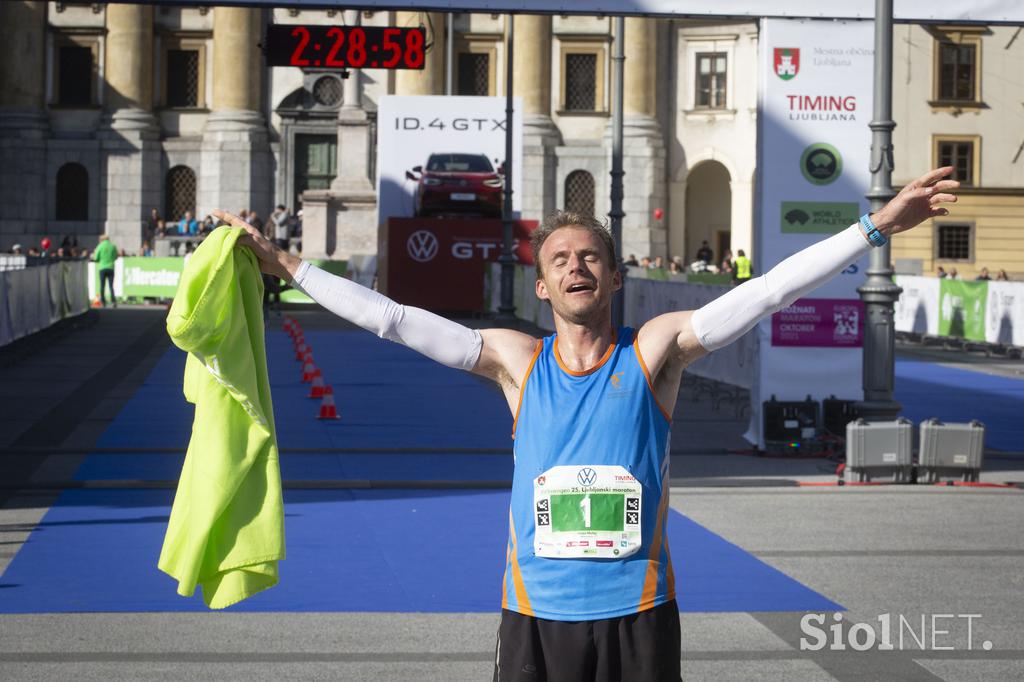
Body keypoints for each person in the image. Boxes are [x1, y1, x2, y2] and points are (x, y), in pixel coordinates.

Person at [222, 166, 958, 682]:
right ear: (541, 287)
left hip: (638, 611)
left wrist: (873, 227)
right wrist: (286, 264)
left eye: (591, 258)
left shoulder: (655, 352)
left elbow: (765, 294)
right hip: (537, 616)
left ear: (614, 277)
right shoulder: (516, 361)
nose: (577, 268)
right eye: (561, 260)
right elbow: (395, 321)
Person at [93, 234, 118, 307]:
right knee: (111, 286)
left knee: (102, 285)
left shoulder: (100, 246)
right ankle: (113, 301)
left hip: (102, 268)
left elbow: (96, 258)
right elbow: (116, 256)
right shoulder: (113, 246)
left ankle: (103, 301)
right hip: (111, 267)